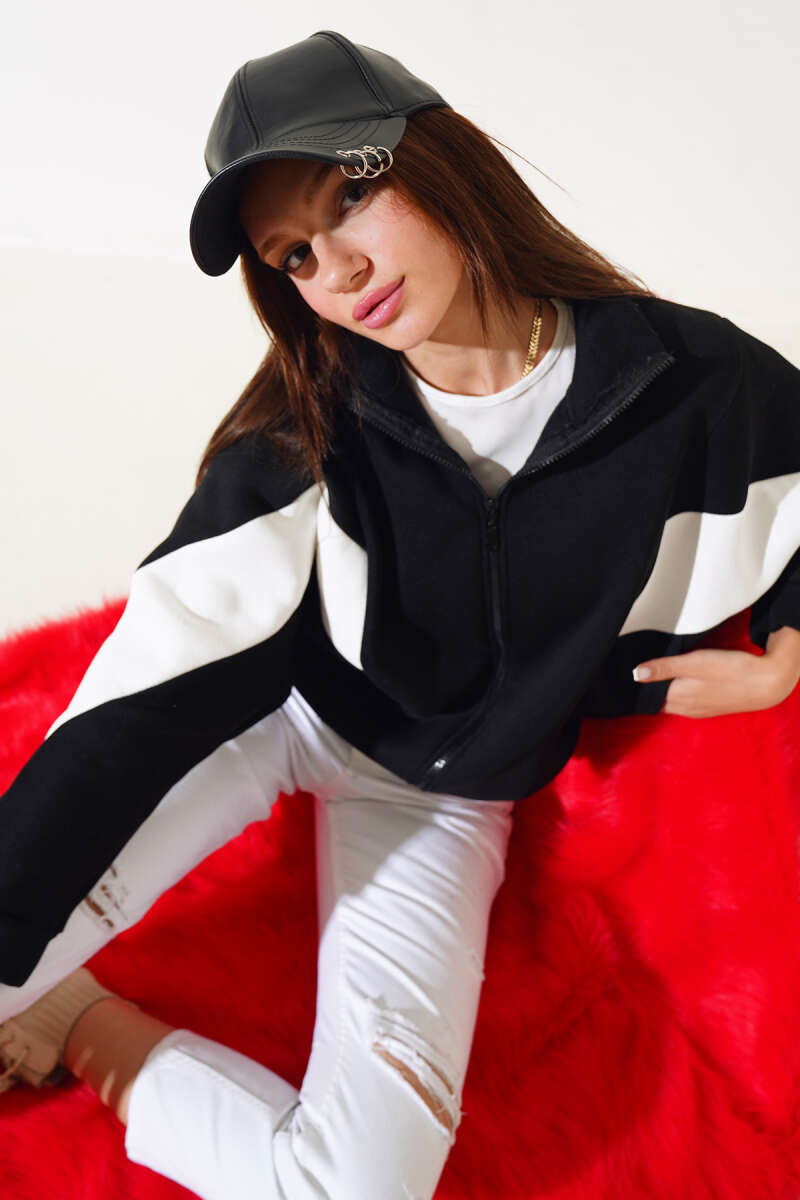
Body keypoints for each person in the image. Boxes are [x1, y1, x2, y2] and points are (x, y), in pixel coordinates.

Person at [2, 28, 800, 1200]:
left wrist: (784, 652)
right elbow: (149, 685)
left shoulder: (684, 379)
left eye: (349, 197)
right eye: (291, 254)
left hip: (436, 800)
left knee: (360, 1185)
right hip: (272, 720)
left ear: (442, 159)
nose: (336, 269)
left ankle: (76, 1019)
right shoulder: (303, 431)